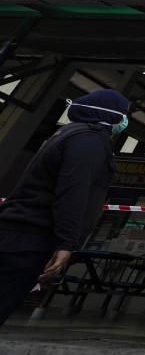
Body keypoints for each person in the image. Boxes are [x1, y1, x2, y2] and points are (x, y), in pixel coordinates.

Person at [0, 89, 128, 326]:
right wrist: (66, 243)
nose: (125, 121)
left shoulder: (66, 133)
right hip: (29, 238)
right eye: (124, 115)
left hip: (15, 232)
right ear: (112, 116)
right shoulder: (91, 142)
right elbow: (73, 193)